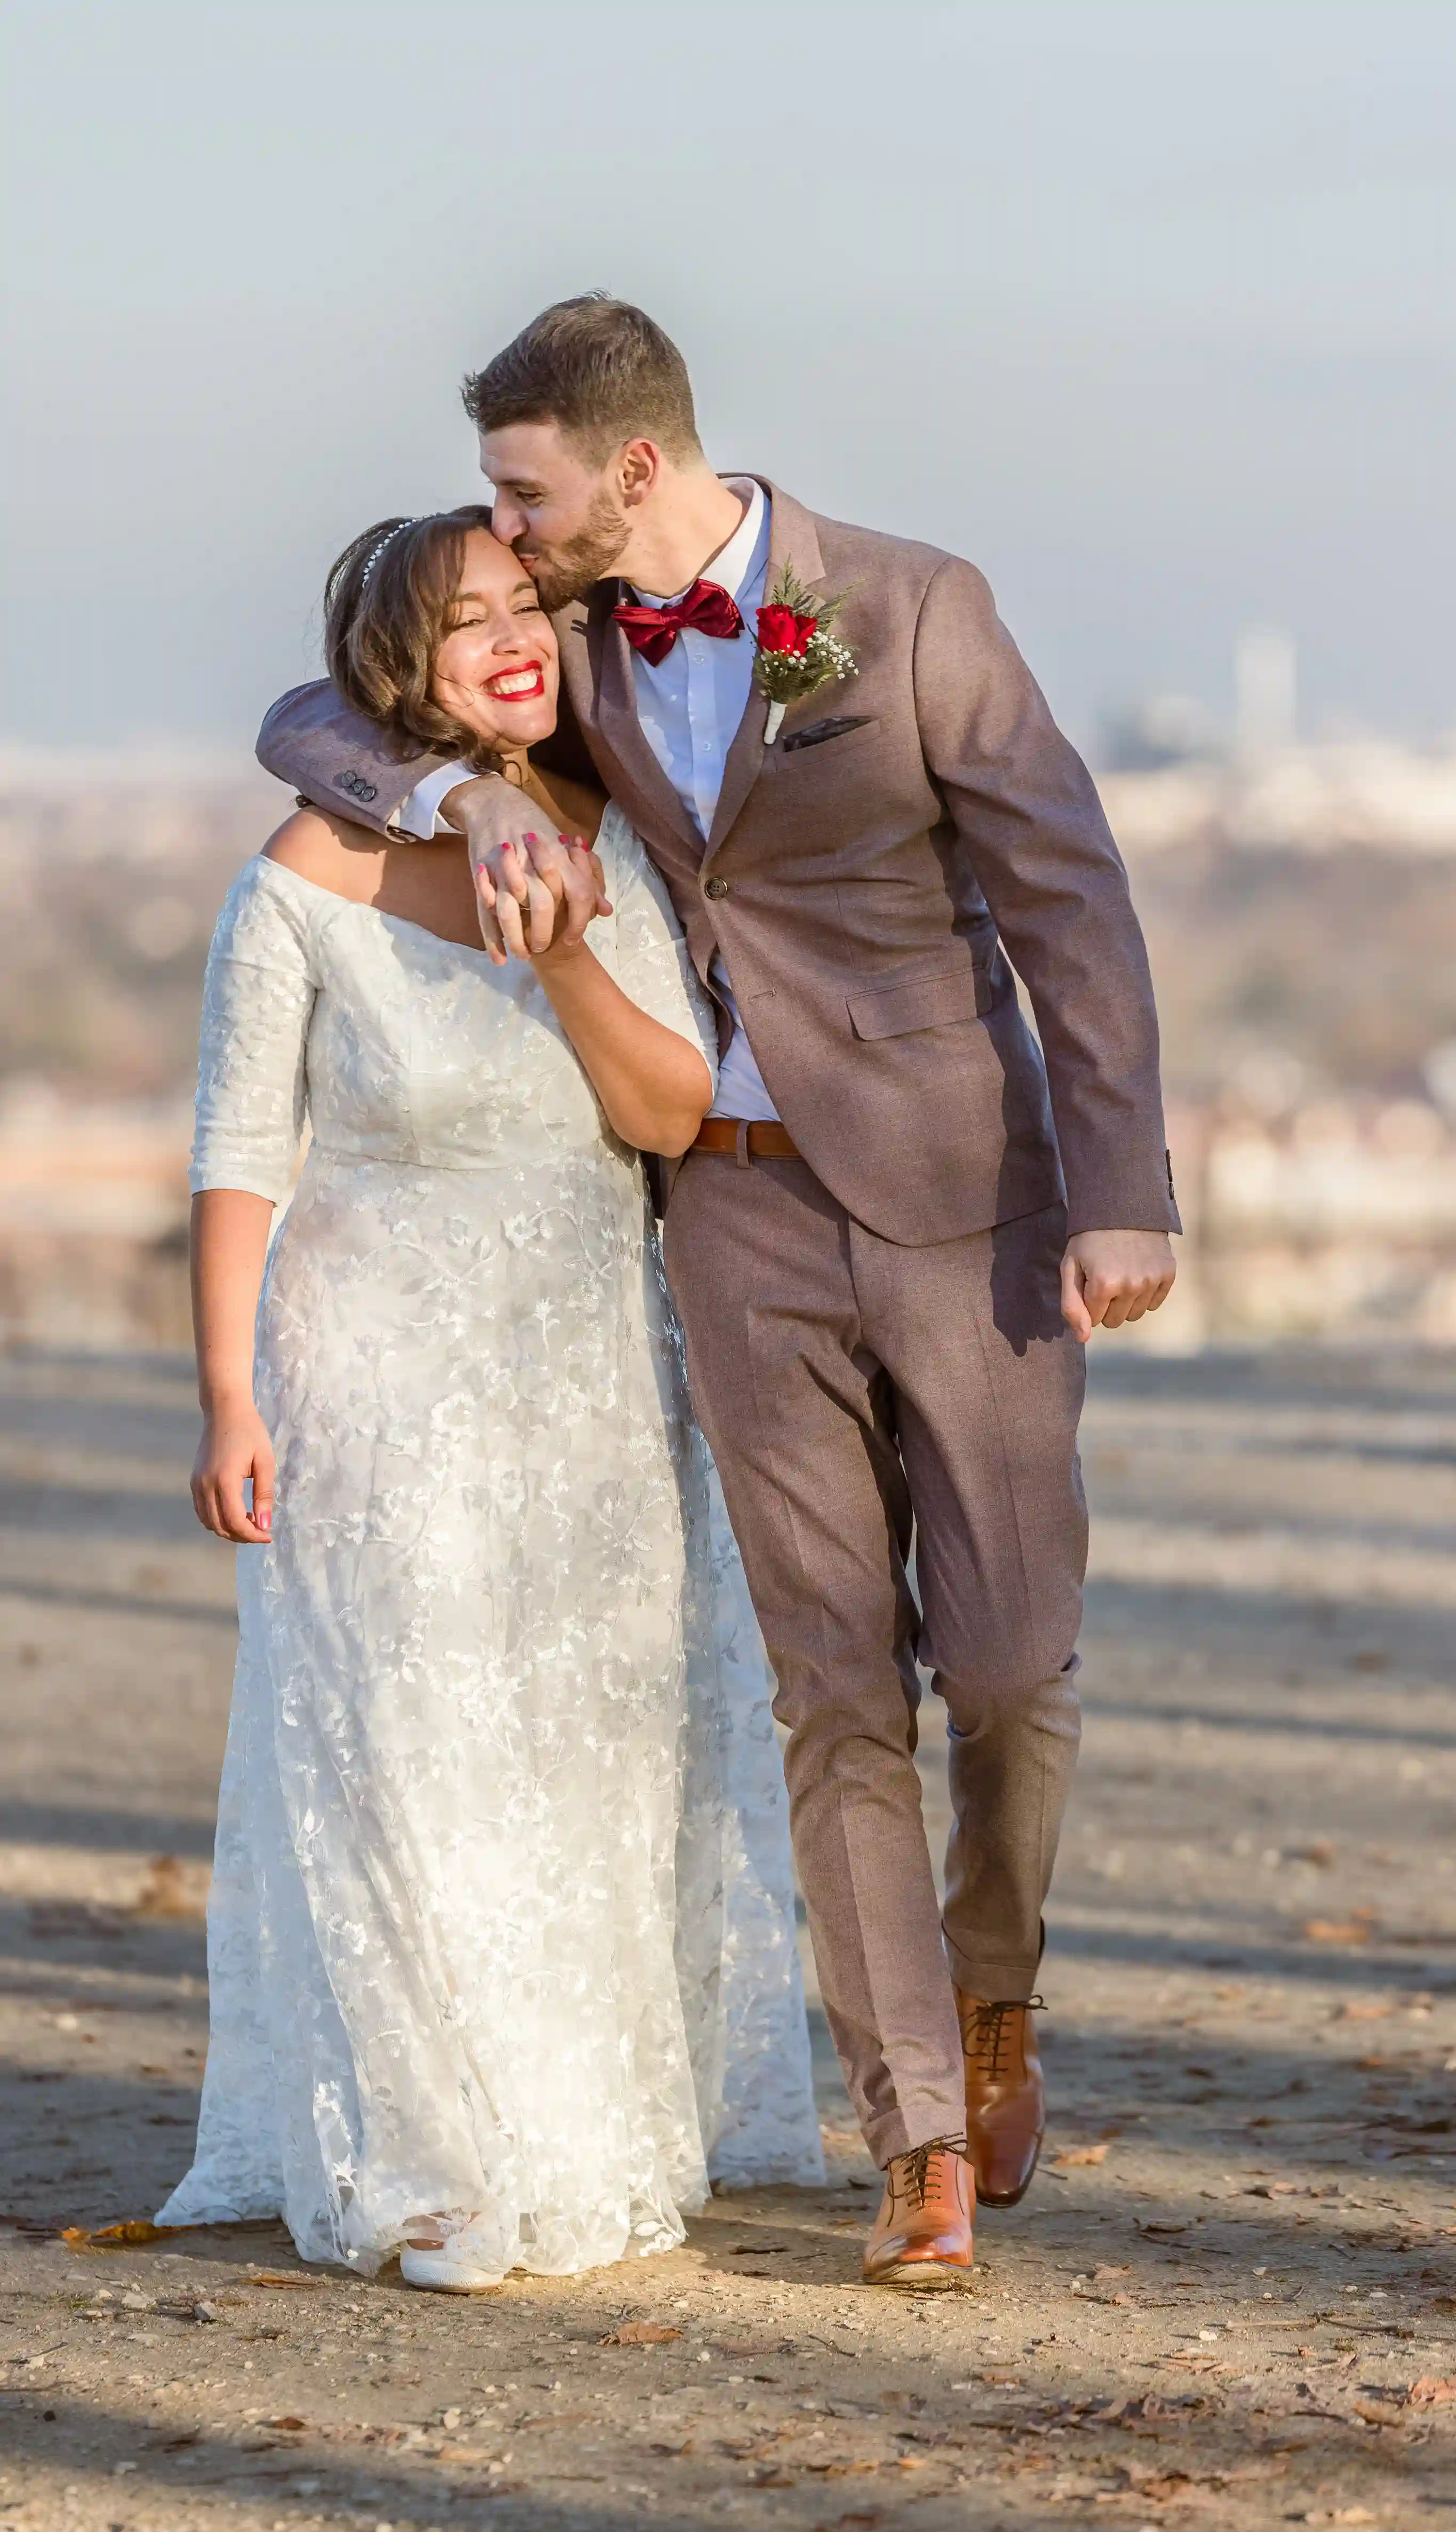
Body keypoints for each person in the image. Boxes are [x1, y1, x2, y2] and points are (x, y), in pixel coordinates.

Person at [257, 294, 1180, 2291]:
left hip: (973, 1208)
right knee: (833, 1684)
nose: (498, 520)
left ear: (635, 470)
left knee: (1010, 1669)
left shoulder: (912, 609)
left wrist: (1121, 1188)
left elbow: (1069, 898)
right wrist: (468, 795)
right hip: (732, 1219)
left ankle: (994, 1986)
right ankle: (916, 2132)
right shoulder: (561, 649)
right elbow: (315, 715)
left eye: (525, 486)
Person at [161, 509, 823, 2291]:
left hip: (590, 1378)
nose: (514, 634)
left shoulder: (618, 840)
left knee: (587, 1756)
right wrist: (230, 1394)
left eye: (531, 601)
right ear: (400, 664)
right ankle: (431, 2159)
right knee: (407, 1753)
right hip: (368, 1373)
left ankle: (581, 2125)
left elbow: (675, 1112)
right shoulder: (303, 871)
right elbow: (239, 1154)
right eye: (468, 620)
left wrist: (562, 957)